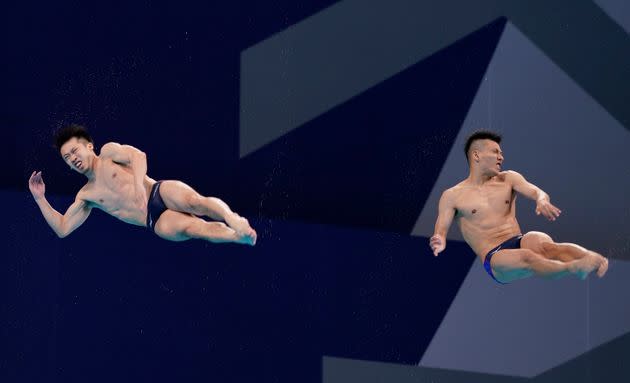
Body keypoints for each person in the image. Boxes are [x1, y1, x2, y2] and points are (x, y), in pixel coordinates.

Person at [29, 124, 256, 245]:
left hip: (158, 191)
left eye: (74, 151)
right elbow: (62, 228)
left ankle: (233, 219)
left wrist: (139, 186)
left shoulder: (108, 153)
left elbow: (139, 157)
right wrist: (40, 198)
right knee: (194, 228)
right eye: (67, 158)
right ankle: (238, 237)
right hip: (154, 220)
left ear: (89, 146)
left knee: (195, 202)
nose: (73, 159)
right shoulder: (86, 195)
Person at [429, 130, 607, 283]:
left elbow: (536, 191)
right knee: (528, 257)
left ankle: (592, 258)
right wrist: (439, 240)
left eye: (501, 153)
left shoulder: (508, 178)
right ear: (476, 155)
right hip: (495, 258)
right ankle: (575, 268)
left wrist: (542, 200)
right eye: (495, 152)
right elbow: (441, 229)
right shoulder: (452, 195)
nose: (501, 157)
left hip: (518, 240)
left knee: (543, 243)